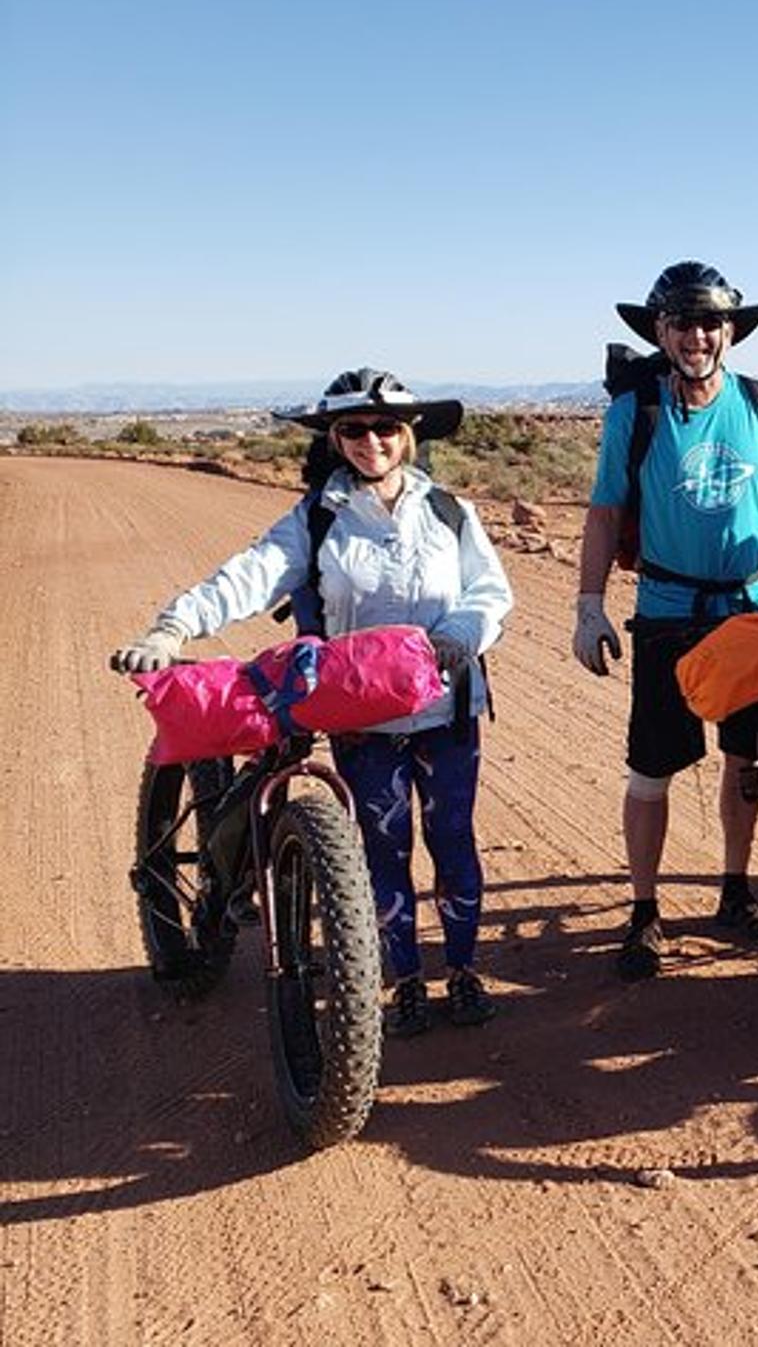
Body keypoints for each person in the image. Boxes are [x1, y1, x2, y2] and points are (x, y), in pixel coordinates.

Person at [109, 368, 515, 1035]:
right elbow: (249, 574)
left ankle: (464, 971)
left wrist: (460, 635)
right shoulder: (319, 517)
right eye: (353, 428)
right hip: (362, 718)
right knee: (382, 848)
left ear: (408, 434)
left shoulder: (448, 510)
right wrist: (172, 626)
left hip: (448, 707)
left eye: (386, 427)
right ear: (334, 436)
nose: (371, 441)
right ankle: (405, 977)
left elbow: (490, 592)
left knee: (452, 839)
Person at [573, 260, 758, 981]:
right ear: (660, 330)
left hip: (753, 609)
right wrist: (588, 605)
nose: (697, 334)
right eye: (682, 321)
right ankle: (645, 911)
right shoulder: (637, 411)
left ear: (729, 331)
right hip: (667, 614)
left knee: (746, 760)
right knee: (653, 768)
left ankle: (735, 891)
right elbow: (603, 513)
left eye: (711, 321)